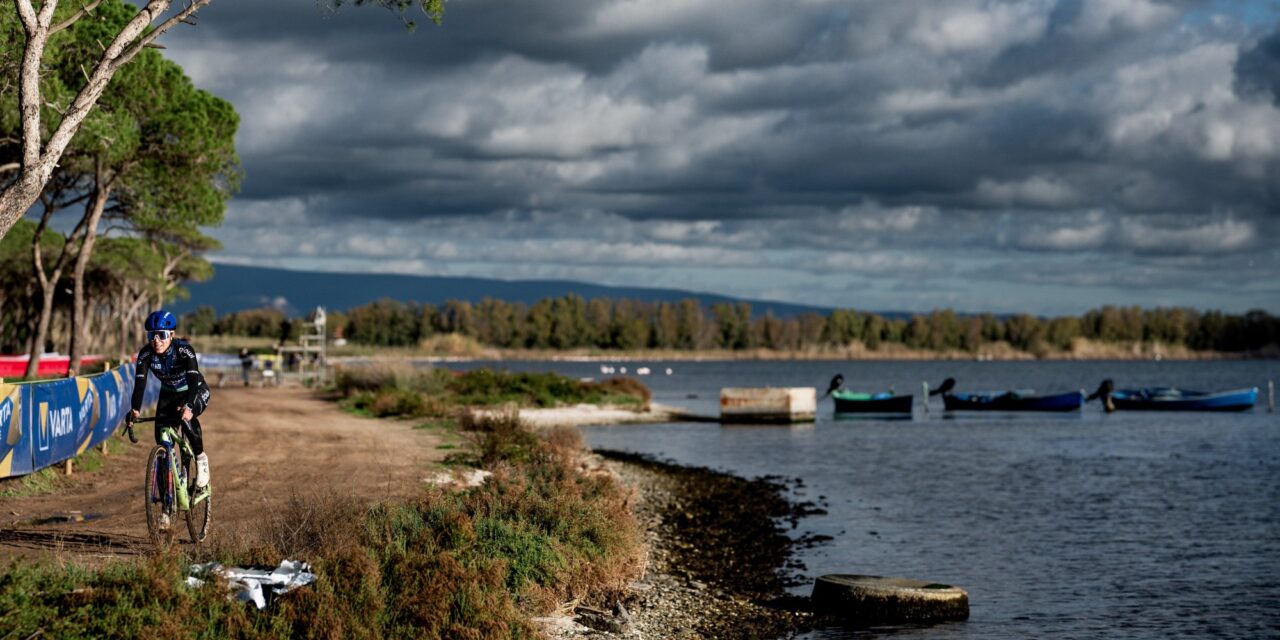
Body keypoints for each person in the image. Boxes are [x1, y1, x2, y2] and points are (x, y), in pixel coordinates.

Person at [129, 310, 210, 529]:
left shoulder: (184, 350)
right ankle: (166, 508)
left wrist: (190, 406)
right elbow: (140, 385)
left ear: (171, 335)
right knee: (162, 443)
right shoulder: (146, 355)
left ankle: (201, 460)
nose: (156, 340)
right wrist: (135, 409)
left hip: (194, 391)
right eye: (152, 335)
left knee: (186, 419)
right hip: (168, 393)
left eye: (162, 335)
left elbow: (194, 381)